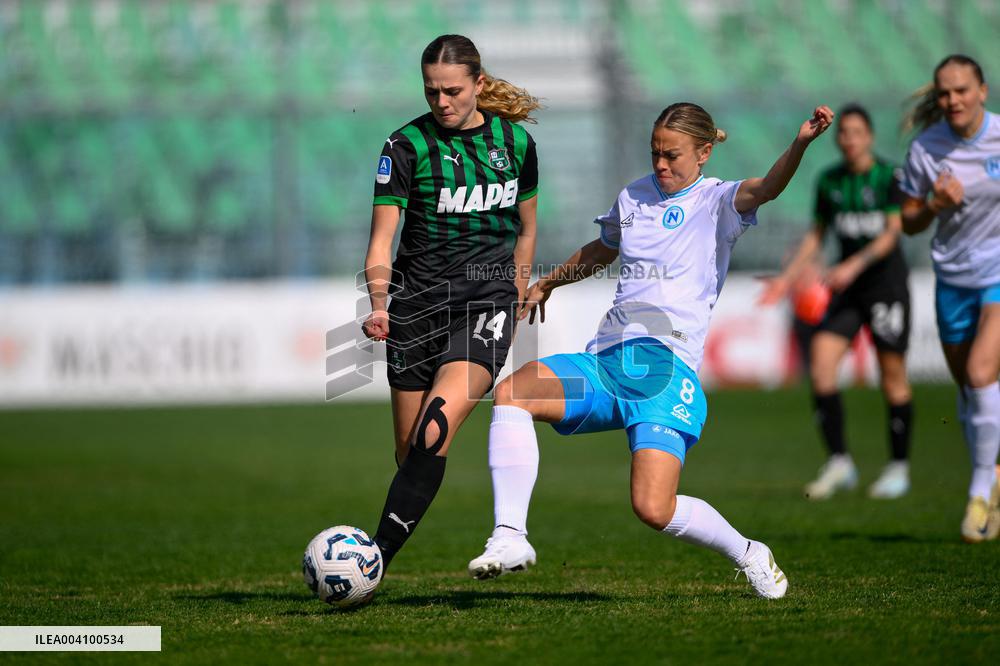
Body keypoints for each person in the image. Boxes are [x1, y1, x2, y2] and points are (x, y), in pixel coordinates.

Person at [467, 101, 834, 598]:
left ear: (703, 153)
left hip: (664, 371)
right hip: (607, 361)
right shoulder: (633, 197)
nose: (660, 164)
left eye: (673, 155)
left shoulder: (718, 202)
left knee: (653, 509)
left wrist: (801, 143)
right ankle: (510, 536)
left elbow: (765, 189)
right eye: (655, 153)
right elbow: (603, 249)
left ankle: (749, 553)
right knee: (512, 393)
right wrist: (550, 282)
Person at [362, 34, 541, 569]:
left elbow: (527, 229)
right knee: (412, 451)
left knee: (437, 424)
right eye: (431, 91)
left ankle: (373, 560)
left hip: (485, 306)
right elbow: (380, 242)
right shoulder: (404, 146)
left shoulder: (515, 144)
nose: (441, 103)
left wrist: (517, 287)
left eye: (453, 91)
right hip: (415, 307)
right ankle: (385, 542)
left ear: (479, 84)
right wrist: (378, 303)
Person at [759, 104, 914, 501]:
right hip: (848, 290)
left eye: (856, 132)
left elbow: (892, 234)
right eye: (843, 132)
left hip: (885, 287)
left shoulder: (888, 177)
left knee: (891, 374)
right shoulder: (829, 181)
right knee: (822, 366)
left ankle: (898, 467)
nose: (848, 139)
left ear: (870, 137)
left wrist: (852, 265)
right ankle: (840, 462)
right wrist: (787, 278)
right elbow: (816, 235)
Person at [898, 54, 1000, 543]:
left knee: (982, 373)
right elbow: (909, 219)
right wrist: (936, 205)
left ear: (982, 90)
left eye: (962, 90)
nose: (953, 100)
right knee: (969, 390)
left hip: (997, 276)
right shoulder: (926, 148)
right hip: (952, 278)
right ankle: (993, 475)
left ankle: (980, 490)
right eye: (945, 93)